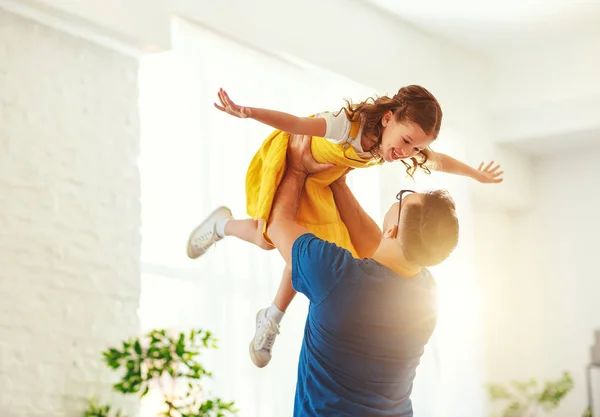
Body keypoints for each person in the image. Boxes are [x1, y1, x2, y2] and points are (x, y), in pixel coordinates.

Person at [187, 85, 496, 367]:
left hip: (320, 178)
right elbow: (296, 124)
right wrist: (248, 112)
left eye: (416, 148)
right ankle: (221, 225)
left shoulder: (400, 146)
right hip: (293, 159)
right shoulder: (348, 126)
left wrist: (474, 174)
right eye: (406, 141)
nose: (408, 153)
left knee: (307, 249)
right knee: (266, 237)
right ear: (388, 118)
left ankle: (271, 316)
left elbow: (439, 160)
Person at [270, 134, 459, 416]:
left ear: (392, 229)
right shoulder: (426, 294)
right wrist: (337, 182)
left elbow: (277, 225)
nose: (399, 199)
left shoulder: (337, 276)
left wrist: (297, 169)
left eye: (404, 199)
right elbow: (377, 249)